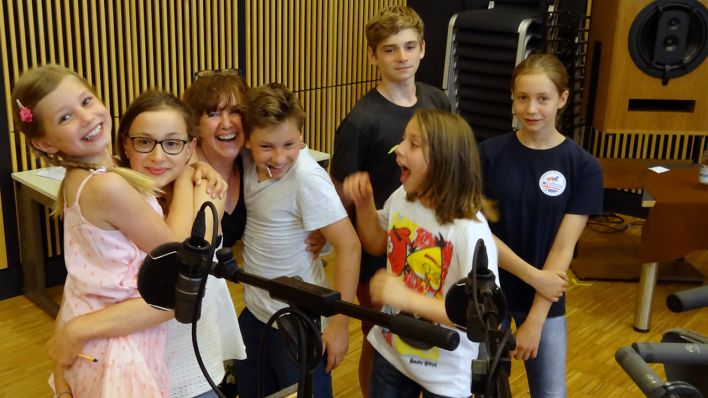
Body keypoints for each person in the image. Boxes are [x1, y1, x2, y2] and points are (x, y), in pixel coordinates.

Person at [11, 65, 197, 397]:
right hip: (118, 350)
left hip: (94, 336)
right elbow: (174, 251)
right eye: (65, 117)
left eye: (86, 101)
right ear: (44, 141)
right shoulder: (107, 186)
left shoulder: (78, 179)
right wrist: (184, 176)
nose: (86, 117)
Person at [329, 6, 450, 395]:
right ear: (372, 55)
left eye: (409, 46)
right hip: (378, 250)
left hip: (431, 243)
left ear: (423, 49)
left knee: (425, 333)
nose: (402, 57)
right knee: (380, 340)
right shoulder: (361, 120)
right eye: (390, 49)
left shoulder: (438, 101)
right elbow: (339, 190)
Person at [342, 109, 498, 397]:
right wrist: (365, 206)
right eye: (404, 139)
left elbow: (480, 315)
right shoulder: (402, 196)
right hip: (392, 353)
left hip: (444, 375)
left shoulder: (469, 230)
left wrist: (405, 298)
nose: (398, 149)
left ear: (444, 161)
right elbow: (377, 243)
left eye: (413, 144)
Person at [478, 53, 603, 398]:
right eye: (522, 98)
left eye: (543, 99)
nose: (531, 108)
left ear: (562, 99)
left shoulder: (584, 167)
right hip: (488, 295)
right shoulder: (488, 154)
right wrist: (535, 277)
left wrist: (535, 318)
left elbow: (564, 247)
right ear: (513, 97)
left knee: (550, 393)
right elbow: (477, 232)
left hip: (545, 301)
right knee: (483, 388)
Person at [117, 90, 247, 398]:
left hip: (191, 352)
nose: (158, 156)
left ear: (190, 146)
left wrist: (188, 176)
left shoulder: (208, 190)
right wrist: (186, 172)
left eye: (172, 143)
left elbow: (175, 257)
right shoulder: (117, 195)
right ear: (125, 143)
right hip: (132, 353)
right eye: (144, 142)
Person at [234, 83, 361, 398]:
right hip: (255, 312)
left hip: (297, 322)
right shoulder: (246, 164)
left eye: (289, 144)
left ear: (302, 136)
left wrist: (341, 325)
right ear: (247, 141)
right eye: (267, 147)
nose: (279, 157)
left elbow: (349, 246)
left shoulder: (306, 178)